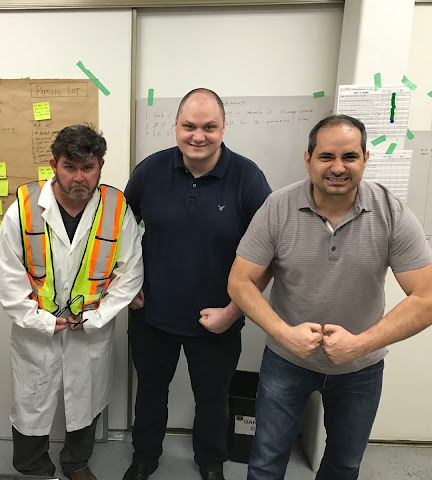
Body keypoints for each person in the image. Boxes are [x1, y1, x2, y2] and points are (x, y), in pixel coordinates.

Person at [228, 114, 432, 480]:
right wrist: (284, 334)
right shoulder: (277, 207)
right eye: (326, 157)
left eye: (349, 156)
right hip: (286, 360)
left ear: (365, 159)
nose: (338, 168)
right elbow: (239, 282)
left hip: (360, 369)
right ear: (308, 159)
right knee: (265, 462)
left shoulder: (391, 212)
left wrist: (360, 344)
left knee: (344, 464)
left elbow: (427, 297)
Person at [123, 88, 272, 480]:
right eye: (189, 126)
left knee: (212, 398)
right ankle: (144, 456)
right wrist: (124, 285)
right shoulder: (149, 171)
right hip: (151, 313)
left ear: (223, 127)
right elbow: (116, 231)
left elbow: (269, 254)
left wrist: (233, 312)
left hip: (218, 319)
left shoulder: (248, 178)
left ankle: (210, 462)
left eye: (209, 127)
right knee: (150, 391)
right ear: (176, 125)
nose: (198, 136)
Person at [0, 124, 143, 480]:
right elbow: (8, 276)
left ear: (100, 166)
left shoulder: (116, 209)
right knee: (31, 400)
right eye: (69, 167)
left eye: (87, 167)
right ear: (54, 165)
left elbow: (130, 273)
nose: (79, 177)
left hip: (89, 328)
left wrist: (96, 318)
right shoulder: (23, 209)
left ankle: (76, 462)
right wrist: (41, 321)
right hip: (36, 328)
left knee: (85, 398)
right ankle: (33, 468)